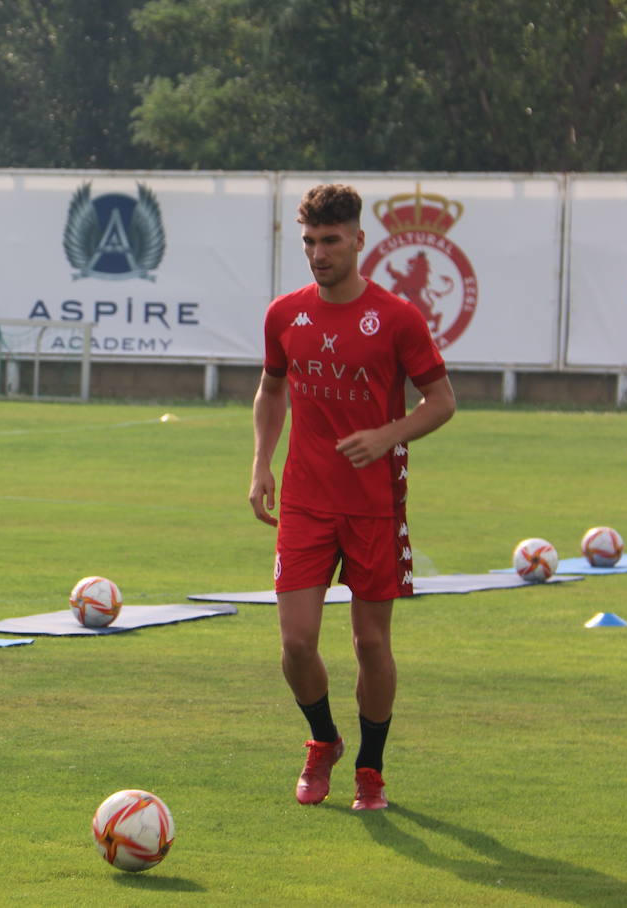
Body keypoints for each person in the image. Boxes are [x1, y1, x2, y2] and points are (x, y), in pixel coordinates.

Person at [248, 183, 455, 811]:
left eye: (330, 241)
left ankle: (370, 765)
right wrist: (261, 463)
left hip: (374, 504)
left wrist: (388, 434)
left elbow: (442, 401)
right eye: (309, 242)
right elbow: (271, 389)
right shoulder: (284, 314)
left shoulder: (397, 318)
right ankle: (323, 742)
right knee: (296, 642)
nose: (318, 253)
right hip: (306, 501)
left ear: (358, 241)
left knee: (370, 643)